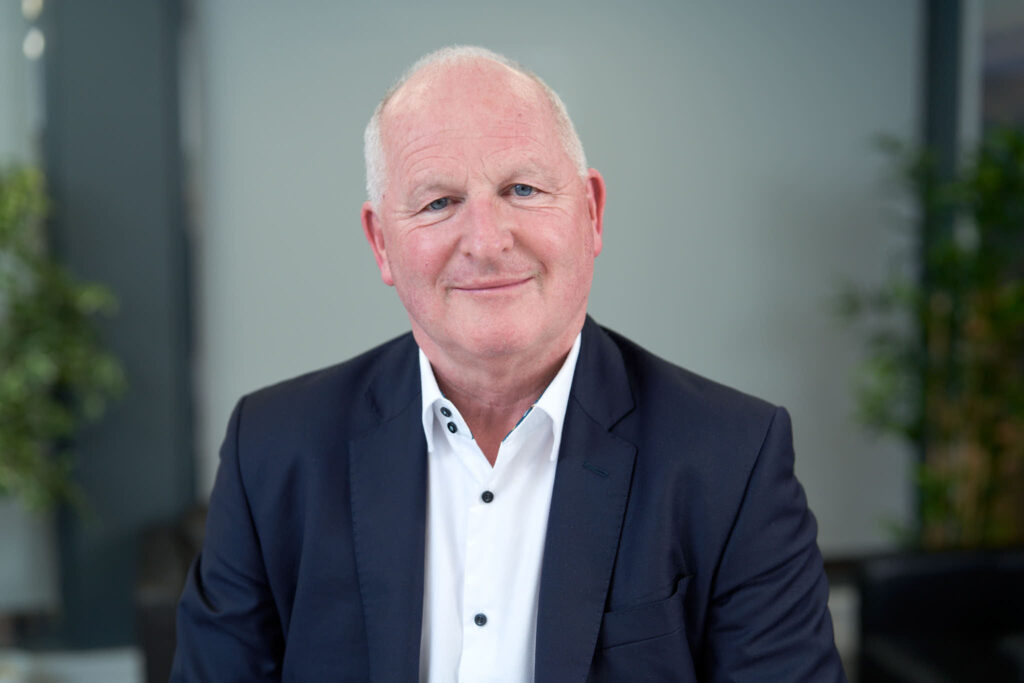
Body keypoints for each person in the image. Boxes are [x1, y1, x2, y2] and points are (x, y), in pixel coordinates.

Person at [172, 45, 846, 682]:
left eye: (522, 189)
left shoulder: (732, 459)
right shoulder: (274, 451)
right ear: (382, 243)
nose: (488, 242)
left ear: (591, 212)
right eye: (439, 202)